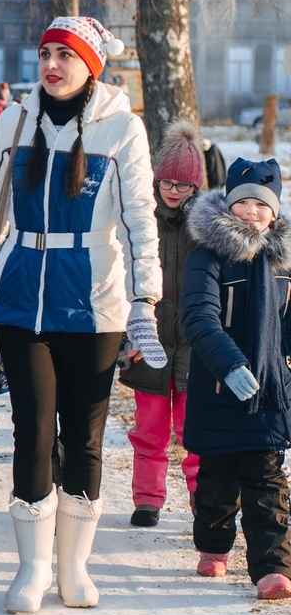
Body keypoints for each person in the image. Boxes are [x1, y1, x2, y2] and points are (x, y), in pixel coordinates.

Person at [0, 16, 163, 614]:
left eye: (65, 56)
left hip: (96, 302)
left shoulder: (123, 128)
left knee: (85, 437)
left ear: (91, 66)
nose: (52, 64)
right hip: (24, 296)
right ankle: (33, 568)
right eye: (45, 52)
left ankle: (74, 568)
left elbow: (140, 220)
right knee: (32, 429)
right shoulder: (16, 121)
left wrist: (143, 298)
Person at [181, 157, 291, 600]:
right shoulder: (207, 256)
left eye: (261, 204)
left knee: (266, 480)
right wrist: (228, 365)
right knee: (217, 479)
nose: (251, 211)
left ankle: (273, 568)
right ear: (228, 206)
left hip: (269, 390)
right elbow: (199, 316)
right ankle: (213, 546)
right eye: (243, 202)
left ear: (275, 211)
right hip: (217, 385)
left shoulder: (283, 263)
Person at [119, 122, 203, 527]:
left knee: (195, 432)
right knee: (149, 429)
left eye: (182, 185)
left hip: (192, 344)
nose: (172, 190)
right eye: (166, 182)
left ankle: (201, 497)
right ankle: (147, 499)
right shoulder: (139, 220)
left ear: (196, 187)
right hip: (149, 340)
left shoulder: (205, 227)